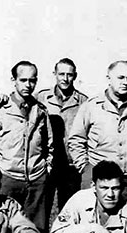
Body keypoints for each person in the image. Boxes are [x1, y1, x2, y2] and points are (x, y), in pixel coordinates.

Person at [0, 60, 53, 233]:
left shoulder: (41, 111)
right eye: (23, 80)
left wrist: (46, 168)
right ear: (14, 80)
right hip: (7, 179)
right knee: (3, 228)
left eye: (32, 80)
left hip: (36, 180)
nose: (28, 85)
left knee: (37, 230)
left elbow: (49, 144)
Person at [68, 60, 127, 207]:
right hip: (98, 179)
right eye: (121, 78)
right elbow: (76, 140)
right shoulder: (91, 106)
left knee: (126, 223)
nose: (125, 82)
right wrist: (85, 168)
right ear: (109, 79)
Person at [36, 58, 88, 210]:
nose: (65, 79)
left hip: (71, 166)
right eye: (61, 74)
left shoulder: (83, 101)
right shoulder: (41, 97)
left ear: (75, 76)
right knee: (43, 208)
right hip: (48, 164)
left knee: (69, 210)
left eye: (69, 75)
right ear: (55, 74)